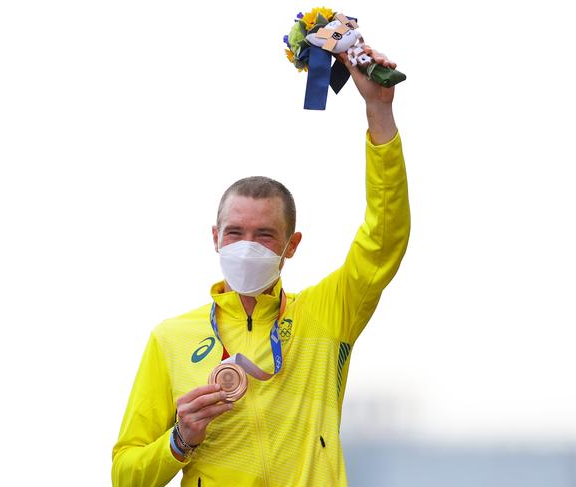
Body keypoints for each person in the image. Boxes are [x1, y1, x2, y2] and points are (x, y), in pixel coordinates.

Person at [112, 48, 410, 486]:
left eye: (265, 235)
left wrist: (378, 112)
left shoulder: (329, 313)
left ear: (291, 245)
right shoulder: (170, 339)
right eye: (234, 233)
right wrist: (180, 439)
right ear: (215, 237)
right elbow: (126, 476)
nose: (246, 246)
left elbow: (384, 237)